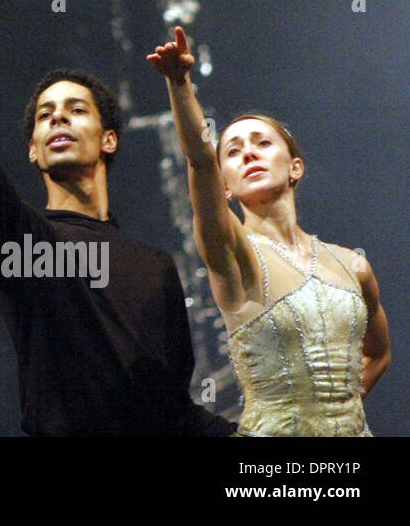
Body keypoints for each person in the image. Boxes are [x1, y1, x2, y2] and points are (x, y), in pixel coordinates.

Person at [0, 70, 235, 435]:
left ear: (108, 140)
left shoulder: (156, 266)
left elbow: (174, 409)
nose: (58, 117)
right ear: (33, 149)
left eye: (76, 110)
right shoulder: (29, 247)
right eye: (44, 114)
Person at [147, 26, 391, 435]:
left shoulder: (354, 266)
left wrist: (334, 419)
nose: (248, 154)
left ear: (295, 167)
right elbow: (199, 160)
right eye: (234, 151)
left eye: (262, 143)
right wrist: (179, 83)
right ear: (225, 184)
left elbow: (379, 355)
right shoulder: (235, 256)